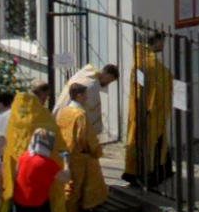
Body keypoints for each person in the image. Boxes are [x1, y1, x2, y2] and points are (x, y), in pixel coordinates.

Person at [123, 32, 172, 189]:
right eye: (162, 42)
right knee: (152, 143)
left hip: (140, 109)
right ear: (156, 42)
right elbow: (157, 86)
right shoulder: (149, 62)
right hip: (151, 112)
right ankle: (149, 175)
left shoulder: (140, 58)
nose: (163, 45)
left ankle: (137, 173)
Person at [56, 81, 108, 212]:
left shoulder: (64, 111)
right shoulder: (80, 114)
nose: (87, 97)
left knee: (66, 185)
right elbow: (85, 137)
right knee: (75, 188)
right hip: (77, 155)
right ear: (79, 95)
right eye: (85, 95)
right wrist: (96, 151)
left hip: (63, 152)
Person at [52, 64, 118, 136]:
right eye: (110, 80)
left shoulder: (86, 73)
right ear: (107, 75)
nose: (108, 83)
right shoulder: (92, 86)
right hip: (71, 119)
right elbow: (92, 112)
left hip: (61, 111)